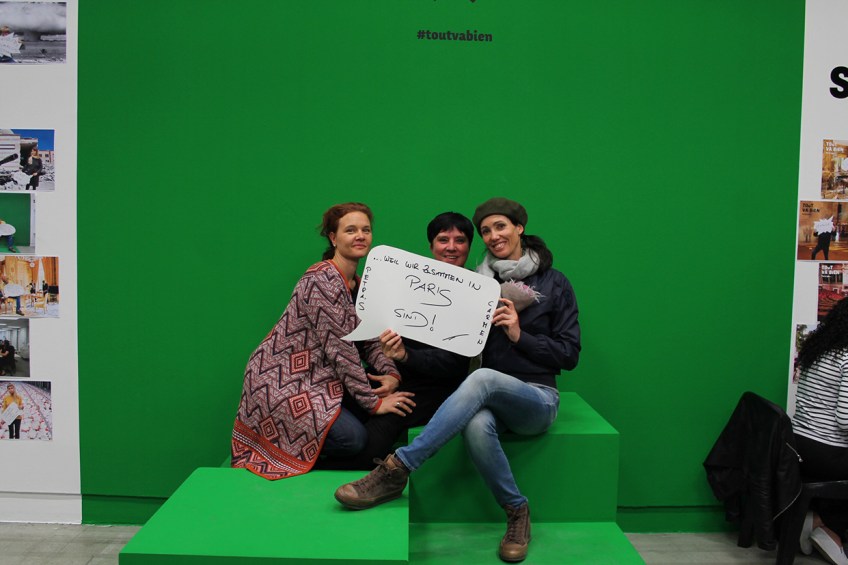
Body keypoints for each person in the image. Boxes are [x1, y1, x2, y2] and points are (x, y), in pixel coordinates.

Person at [335, 198, 581, 563]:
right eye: (486, 230)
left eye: (501, 226)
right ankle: (517, 512)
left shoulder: (555, 282)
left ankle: (398, 468)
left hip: (537, 398)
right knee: (476, 425)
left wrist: (520, 336)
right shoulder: (477, 287)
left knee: (482, 377)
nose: (494, 236)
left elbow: (569, 354)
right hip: (488, 400)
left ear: (519, 228)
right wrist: (395, 362)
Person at [231, 203, 415, 479]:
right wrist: (374, 403)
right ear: (333, 238)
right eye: (350, 230)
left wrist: (390, 374)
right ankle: (286, 450)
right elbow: (341, 350)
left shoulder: (360, 283)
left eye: (365, 230)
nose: (360, 236)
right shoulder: (322, 280)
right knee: (352, 439)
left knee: (379, 415)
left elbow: (371, 340)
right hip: (284, 380)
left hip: (321, 378)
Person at [319, 212, 474, 470]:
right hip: (388, 376)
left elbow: (455, 365)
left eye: (460, 240)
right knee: (330, 412)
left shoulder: (475, 294)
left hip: (429, 390)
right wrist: (389, 373)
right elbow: (370, 338)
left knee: (369, 450)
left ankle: (313, 465)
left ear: (469, 246)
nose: (451, 247)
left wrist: (405, 356)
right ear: (431, 246)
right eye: (443, 240)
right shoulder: (410, 282)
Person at [792, 295, 848, 565]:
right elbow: (845, 420)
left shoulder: (821, 349)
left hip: (799, 444)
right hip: (827, 453)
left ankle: (816, 521)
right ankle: (831, 530)